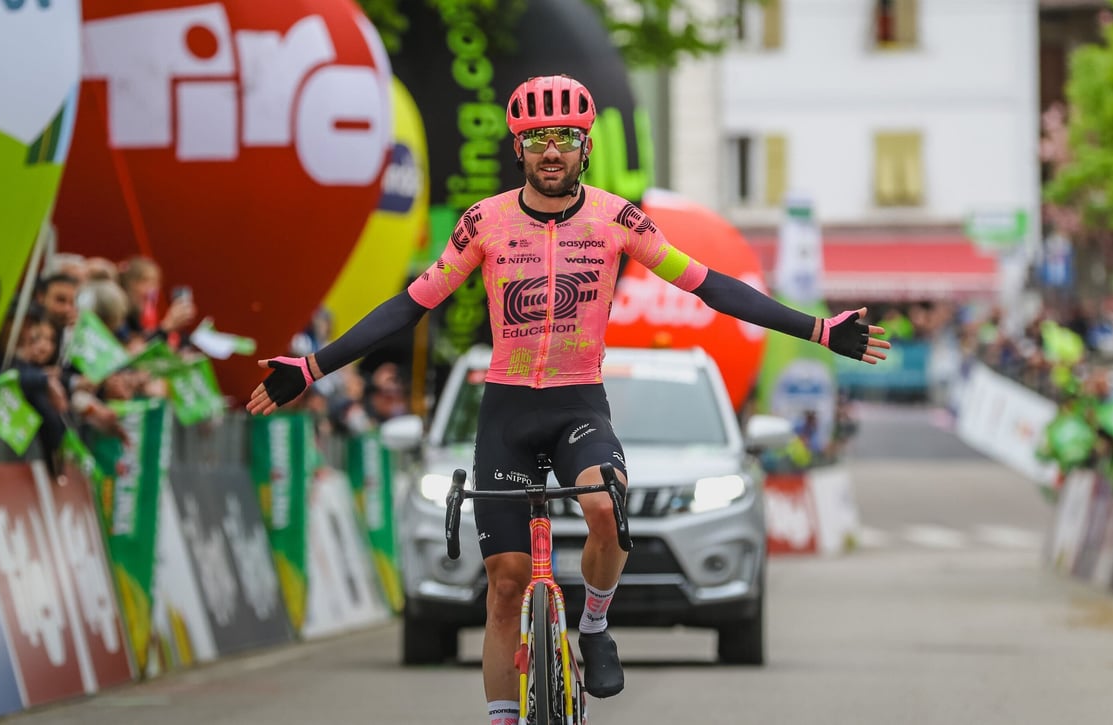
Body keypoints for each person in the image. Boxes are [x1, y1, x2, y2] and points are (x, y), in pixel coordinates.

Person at [247, 75, 890, 723]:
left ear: (585, 148)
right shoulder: (485, 223)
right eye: (537, 139)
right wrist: (309, 367)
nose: (551, 151)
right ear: (518, 149)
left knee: (605, 508)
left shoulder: (617, 219)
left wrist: (819, 329)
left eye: (565, 138)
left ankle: (597, 623)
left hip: (577, 406)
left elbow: (711, 286)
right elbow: (409, 308)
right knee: (505, 583)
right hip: (506, 411)